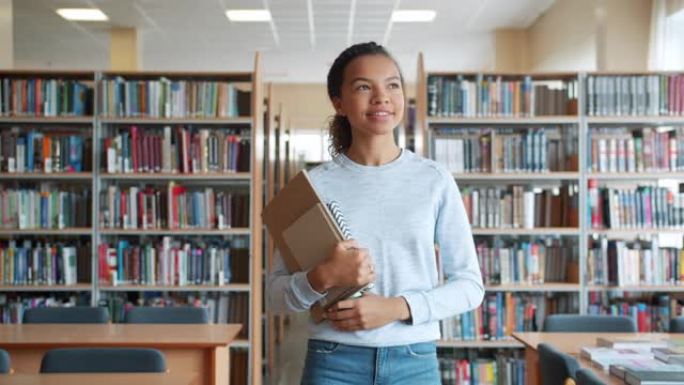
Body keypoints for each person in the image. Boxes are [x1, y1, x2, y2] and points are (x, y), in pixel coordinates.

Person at [268, 41, 484, 385]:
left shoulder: (434, 180)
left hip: (414, 360)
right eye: (364, 87)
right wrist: (321, 277)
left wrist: (396, 307)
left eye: (392, 84)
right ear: (338, 102)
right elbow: (275, 297)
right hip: (332, 362)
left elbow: (470, 286)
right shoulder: (311, 187)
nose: (381, 97)